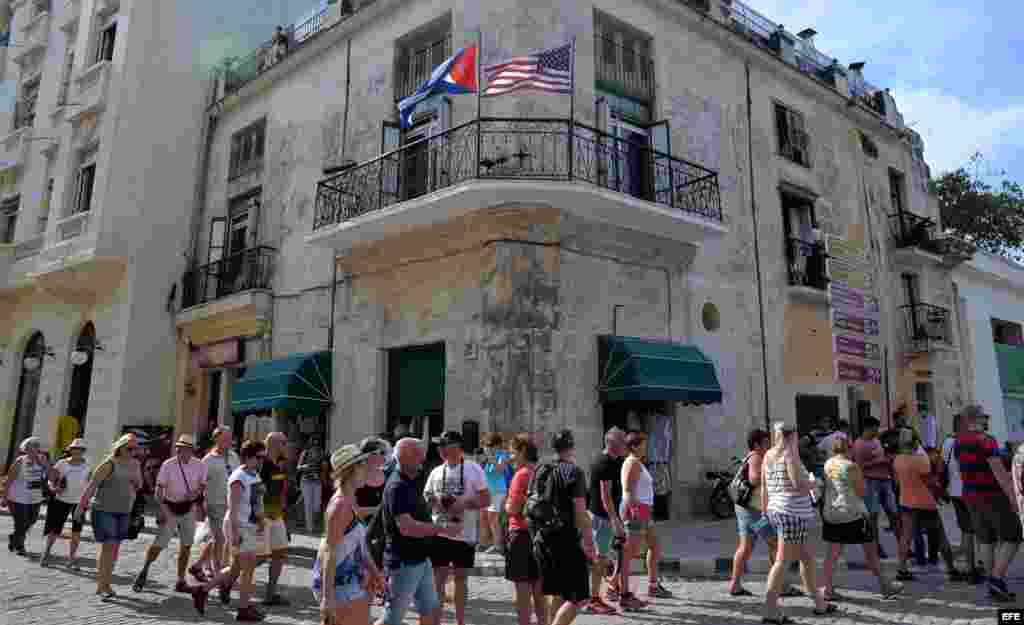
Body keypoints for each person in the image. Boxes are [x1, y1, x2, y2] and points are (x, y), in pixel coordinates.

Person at [375, 437, 461, 625]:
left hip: (422, 559)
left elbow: (424, 509)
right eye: (418, 454)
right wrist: (442, 528)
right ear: (404, 457)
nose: (423, 457)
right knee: (392, 618)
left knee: (429, 609)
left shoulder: (415, 478)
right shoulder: (397, 486)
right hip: (404, 561)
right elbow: (407, 528)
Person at [761, 421, 834, 624]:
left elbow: (765, 488)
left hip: (778, 510)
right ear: (792, 435)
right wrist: (816, 482)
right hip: (791, 513)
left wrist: (765, 512)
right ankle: (770, 611)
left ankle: (820, 603)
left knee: (807, 558)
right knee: (782, 561)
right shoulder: (789, 455)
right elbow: (797, 485)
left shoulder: (768, 455)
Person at [192, 440, 269, 621]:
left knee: (236, 567)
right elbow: (233, 508)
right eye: (259, 457)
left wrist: (261, 520)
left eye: (263, 457)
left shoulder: (254, 475)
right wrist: (234, 533)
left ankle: (202, 591)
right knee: (248, 568)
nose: (261, 461)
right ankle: (244, 609)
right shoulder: (238, 477)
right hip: (239, 526)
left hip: (249, 526)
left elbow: (256, 502)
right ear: (248, 457)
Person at [820, 433, 904, 599]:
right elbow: (861, 492)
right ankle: (885, 585)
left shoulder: (828, 464)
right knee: (871, 553)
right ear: (849, 448)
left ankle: (828, 589)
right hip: (853, 514)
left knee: (832, 555)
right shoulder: (851, 466)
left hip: (832, 513)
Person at [311, 444, 386, 625]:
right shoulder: (341, 506)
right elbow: (329, 550)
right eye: (363, 466)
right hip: (337, 583)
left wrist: (375, 574)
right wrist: (327, 598)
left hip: (348, 579)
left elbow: (359, 544)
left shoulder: (350, 500)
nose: (367, 470)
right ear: (350, 471)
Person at [956, 404, 1022, 601]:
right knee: (1013, 536)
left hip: (971, 496)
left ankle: (992, 582)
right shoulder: (987, 442)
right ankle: (997, 578)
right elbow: (1000, 475)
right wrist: (1014, 498)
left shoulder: (960, 441)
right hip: (992, 496)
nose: (987, 421)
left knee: (986, 539)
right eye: (984, 417)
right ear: (974, 419)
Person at [423, 430, 489, 625]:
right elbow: (426, 498)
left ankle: (460, 621)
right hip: (440, 531)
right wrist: (436, 502)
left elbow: (486, 499)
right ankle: (436, 621)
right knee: (438, 579)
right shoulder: (436, 471)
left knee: (461, 580)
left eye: (445, 444)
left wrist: (463, 503)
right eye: (439, 445)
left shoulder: (473, 468)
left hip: (464, 532)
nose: (440, 449)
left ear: (458, 446)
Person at [729, 429, 802, 599]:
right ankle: (781, 586)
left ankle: (735, 585)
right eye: (766, 443)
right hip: (755, 514)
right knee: (776, 544)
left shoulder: (752, 456)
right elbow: (755, 479)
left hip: (745, 510)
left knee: (745, 548)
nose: (769, 446)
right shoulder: (756, 457)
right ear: (757, 445)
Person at [132, 434, 209, 593]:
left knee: (186, 545)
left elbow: (202, 485)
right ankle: (145, 569)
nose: (182, 452)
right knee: (159, 544)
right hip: (170, 507)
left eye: (186, 449)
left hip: (188, 508)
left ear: (192, 450)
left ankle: (180, 580)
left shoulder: (200, 465)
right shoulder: (169, 464)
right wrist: (163, 511)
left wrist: (195, 494)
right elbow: (159, 490)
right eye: (180, 449)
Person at [533, 429, 595, 625]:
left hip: (543, 539)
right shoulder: (574, 472)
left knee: (559, 595)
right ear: (572, 447)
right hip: (566, 541)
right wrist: (589, 543)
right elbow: (580, 512)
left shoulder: (542, 469)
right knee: (579, 598)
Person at [891, 427, 964, 582]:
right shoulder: (921, 459)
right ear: (915, 441)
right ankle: (951, 570)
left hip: (906, 502)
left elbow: (897, 482)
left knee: (906, 536)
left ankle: (902, 569)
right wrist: (942, 494)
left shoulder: (897, 460)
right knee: (940, 537)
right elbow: (929, 483)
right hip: (925, 503)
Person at [77, 433, 143, 599]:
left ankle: (104, 582)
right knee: (109, 545)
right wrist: (81, 507)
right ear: (120, 448)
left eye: (135, 449)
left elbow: (139, 485)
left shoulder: (135, 464)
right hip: (104, 510)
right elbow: (92, 486)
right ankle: (103, 584)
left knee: (114, 549)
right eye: (129, 448)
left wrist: (136, 479)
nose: (132, 452)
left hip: (124, 511)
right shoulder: (108, 464)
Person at [620, 431, 672, 603]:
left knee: (654, 546)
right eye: (643, 444)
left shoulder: (638, 463)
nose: (645, 447)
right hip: (637, 511)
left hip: (645, 511)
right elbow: (628, 490)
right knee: (630, 553)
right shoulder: (632, 462)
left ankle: (652, 585)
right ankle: (622, 592)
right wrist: (633, 509)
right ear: (634, 446)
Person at [189, 426, 241, 582]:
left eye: (229, 438)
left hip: (231, 504)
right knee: (221, 539)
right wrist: (199, 506)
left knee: (219, 538)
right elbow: (200, 484)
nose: (228, 441)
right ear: (216, 439)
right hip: (214, 504)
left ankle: (198, 565)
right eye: (224, 438)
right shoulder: (208, 460)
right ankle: (217, 571)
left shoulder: (233, 456)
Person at [505, 434, 546, 625]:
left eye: (512, 453)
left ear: (522, 452)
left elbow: (513, 509)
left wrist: (506, 506)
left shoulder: (521, 475)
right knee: (539, 589)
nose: (510, 457)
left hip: (520, 535)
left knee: (522, 590)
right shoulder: (541, 472)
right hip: (540, 536)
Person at [585, 427, 626, 614]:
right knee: (599, 559)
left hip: (604, 517)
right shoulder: (604, 463)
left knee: (607, 556)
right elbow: (605, 497)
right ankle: (593, 599)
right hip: (602, 518)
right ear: (612, 443)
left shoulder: (613, 461)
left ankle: (610, 590)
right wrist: (615, 520)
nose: (625, 446)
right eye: (622, 442)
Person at [853, 417, 898, 558]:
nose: (877, 431)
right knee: (873, 516)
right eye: (875, 428)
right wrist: (881, 461)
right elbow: (859, 467)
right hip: (870, 482)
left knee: (894, 514)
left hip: (885, 480)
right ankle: (876, 547)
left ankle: (903, 545)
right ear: (867, 428)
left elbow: (882, 456)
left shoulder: (877, 441)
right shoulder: (859, 445)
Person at [42, 438, 91, 568]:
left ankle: (71, 558)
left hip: (79, 502)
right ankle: (46, 553)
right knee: (55, 529)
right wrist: (53, 488)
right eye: (74, 449)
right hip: (61, 500)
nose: (77, 451)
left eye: (80, 450)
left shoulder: (87, 465)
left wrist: (87, 500)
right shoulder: (61, 463)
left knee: (77, 530)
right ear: (71, 450)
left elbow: (90, 484)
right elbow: (51, 479)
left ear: (83, 451)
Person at [258, 431, 292, 606]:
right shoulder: (262, 464)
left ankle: (270, 595)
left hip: (277, 515)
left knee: (279, 553)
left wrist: (284, 515)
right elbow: (257, 492)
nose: (287, 446)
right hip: (264, 516)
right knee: (257, 558)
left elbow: (280, 491)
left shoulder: (279, 464)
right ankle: (225, 581)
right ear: (275, 444)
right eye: (284, 443)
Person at [4, 436, 49, 556]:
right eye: (31, 447)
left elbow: (51, 475)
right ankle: (20, 546)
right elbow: (9, 480)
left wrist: (45, 464)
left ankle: (14, 537)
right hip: (18, 497)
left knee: (32, 519)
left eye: (36, 447)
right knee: (21, 522)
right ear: (26, 449)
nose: (34, 450)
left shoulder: (43, 460)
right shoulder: (20, 461)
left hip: (35, 497)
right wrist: (4, 497)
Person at [479, 432, 510, 555]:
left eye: (491, 445)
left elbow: (500, 469)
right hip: (487, 490)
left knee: (493, 517)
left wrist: (491, 458)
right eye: (487, 445)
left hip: (497, 490)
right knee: (483, 516)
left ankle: (497, 545)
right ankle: (485, 543)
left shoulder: (502, 455)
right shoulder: (487, 457)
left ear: (497, 445)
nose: (489, 448)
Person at [298, 436, 327, 533]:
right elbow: (298, 467)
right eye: (313, 444)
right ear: (310, 444)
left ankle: (313, 522)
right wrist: (305, 466)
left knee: (316, 505)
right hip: (306, 481)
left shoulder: (321, 453)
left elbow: (324, 468)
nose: (315, 446)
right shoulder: (305, 453)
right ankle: (310, 527)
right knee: (308, 504)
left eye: (317, 444)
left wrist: (324, 468)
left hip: (317, 481)